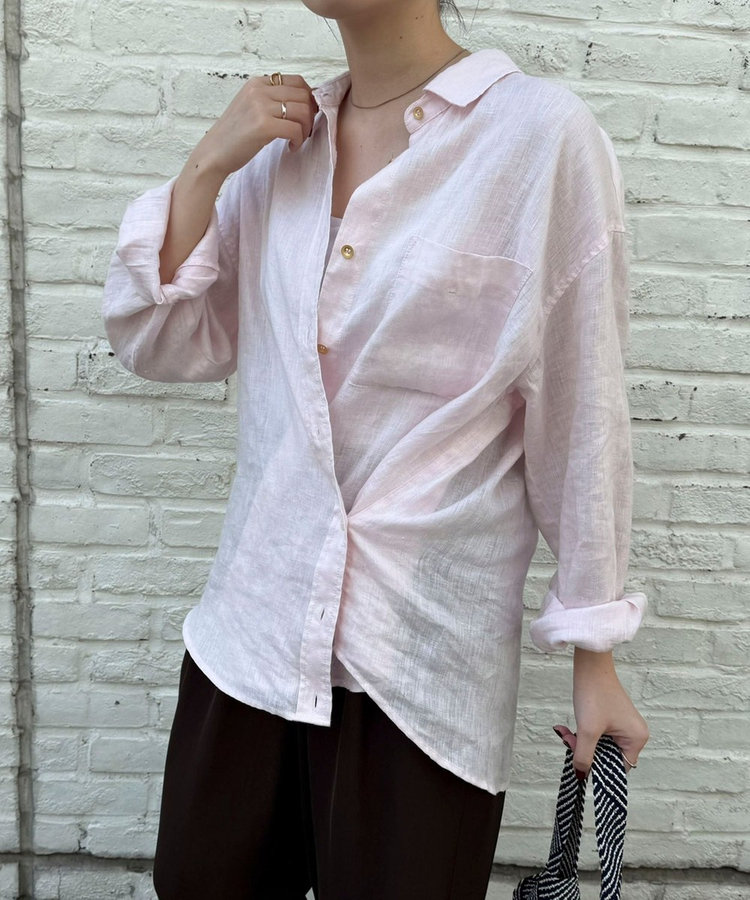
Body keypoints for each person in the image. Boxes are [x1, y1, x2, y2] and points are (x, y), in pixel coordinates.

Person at [101, 0, 651, 897]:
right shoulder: (280, 146)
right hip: (255, 630)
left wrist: (596, 654)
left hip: (420, 661)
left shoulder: (541, 138)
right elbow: (163, 342)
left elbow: (581, 406)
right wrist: (208, 163)